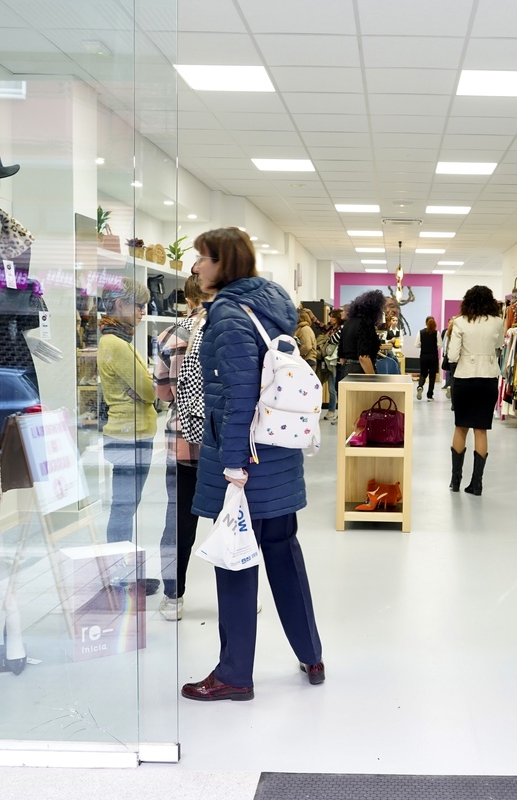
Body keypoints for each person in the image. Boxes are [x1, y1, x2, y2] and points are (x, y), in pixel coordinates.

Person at [182, 227, 323, 702]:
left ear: (225, 262)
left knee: (236, 560)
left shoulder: (226, 313)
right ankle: (311, 653)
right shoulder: (273, 303)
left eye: (203, 257)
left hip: (246, 461)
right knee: (284, 553)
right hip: (279, 454)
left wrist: (233, 466)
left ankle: (234, 674)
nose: (196, 266)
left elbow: (239, 395)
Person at [154, 274, 208, 621]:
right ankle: (242, 596)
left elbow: (162, 393)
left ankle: (174, 597)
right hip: (224, 445)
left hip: (183, 442)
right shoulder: (231, 334)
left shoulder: (170, 336)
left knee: (178, 521)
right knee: (234, 521)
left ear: (187, 300)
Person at [99, 277, 157, 545]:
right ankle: (118, 573)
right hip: (129, 435)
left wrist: (145, 388)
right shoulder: (117, 345)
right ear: (120, 304)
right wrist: (148, 390)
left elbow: (144, 388)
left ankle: (122, 569)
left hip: (128, 433)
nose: (142, 312)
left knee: (126, 505)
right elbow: (149, 390)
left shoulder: (115, 340)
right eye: (139, 306)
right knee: (124, 507)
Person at [447, 286, 505, 495]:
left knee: (460, 428)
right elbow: (498, 344)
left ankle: (455, 481)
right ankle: (476, 484)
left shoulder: (460, 322)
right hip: (488, 379)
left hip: (464, 378)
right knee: (481, 430)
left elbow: (452, 356)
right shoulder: (498, 321)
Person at [338, 289, 385, 376]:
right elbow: (363, 357)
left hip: (346, 370)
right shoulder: (365, 324)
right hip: (360, 371)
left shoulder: (348, 323)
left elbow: (341, 357)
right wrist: (373, 378)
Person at [321, 308, 343, 423]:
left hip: (336, 360)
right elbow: (320, 325)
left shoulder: (341, 329)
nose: (330, 319)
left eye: (333, 317)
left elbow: (333, 340)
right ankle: (332, 411)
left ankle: (333, 411)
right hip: (329, 360)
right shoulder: (331, 328)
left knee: (334, 388)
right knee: (332, 387)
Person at [417, 316, 439, 401]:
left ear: (425, 323)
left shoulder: (421, 332)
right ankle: (430, 395)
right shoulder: (437, 333)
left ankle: (420, 386)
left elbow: (417, 345)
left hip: (424, 356)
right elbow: (440, 345)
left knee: (423, 373)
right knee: (432, 376)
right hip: (433, 356)